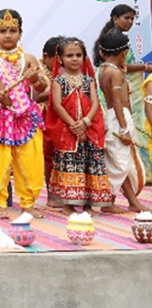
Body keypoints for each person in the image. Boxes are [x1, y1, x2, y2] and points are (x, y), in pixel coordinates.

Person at [0, 9, 47, 219]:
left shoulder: (28, 58)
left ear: (20, 32)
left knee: (30, 160)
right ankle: (0, 203)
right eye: (2, 31)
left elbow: (42, 87)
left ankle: (28, 203)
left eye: (12, 30)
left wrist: (35, 78)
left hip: (25, 116)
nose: (8, 35)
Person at [46, 37, 112, 214]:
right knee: (69, 163)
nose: (74, 59)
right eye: (69, 55)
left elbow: (95, 104)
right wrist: (73, 125)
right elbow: (57, 105)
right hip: (67, 130)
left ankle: (88, 204)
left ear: (84, 57)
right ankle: (67, 204)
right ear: (60, 59)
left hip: (89, 128)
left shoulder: (88, 80)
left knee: (89, 163)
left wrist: (85, 122)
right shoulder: (58, 81)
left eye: (78, 55)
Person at [93, 4, 152, 181]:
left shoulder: (115, 37)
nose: (130, 22)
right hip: (120, 95)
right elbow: (123, 67)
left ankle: (137, 177)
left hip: (127, 90)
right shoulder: (113, 40)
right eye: (126, 18)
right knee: (125, 130)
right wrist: (146, 67)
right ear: (114, 18)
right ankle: (142, 175)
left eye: (132, 19)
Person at [95, 32, 148, 212]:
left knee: (120, 162)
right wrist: (124, 128)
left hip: (115, 117)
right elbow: (117, 101)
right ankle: (112, 202)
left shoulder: (106, 70)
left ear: (102, 53)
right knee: (121, 163)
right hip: (119, 118)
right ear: (124, 53)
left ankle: (125, 201)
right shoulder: (114, 73)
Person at [38, 36, 63, 208]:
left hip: (62, 118)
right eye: (58, 60)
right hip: (44, 117)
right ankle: (51, 195)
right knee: (49, 158)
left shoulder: (65, 71)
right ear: (46, 56)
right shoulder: (36, 71)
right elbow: (35, 97)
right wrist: (56, 90)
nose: (61, 63)